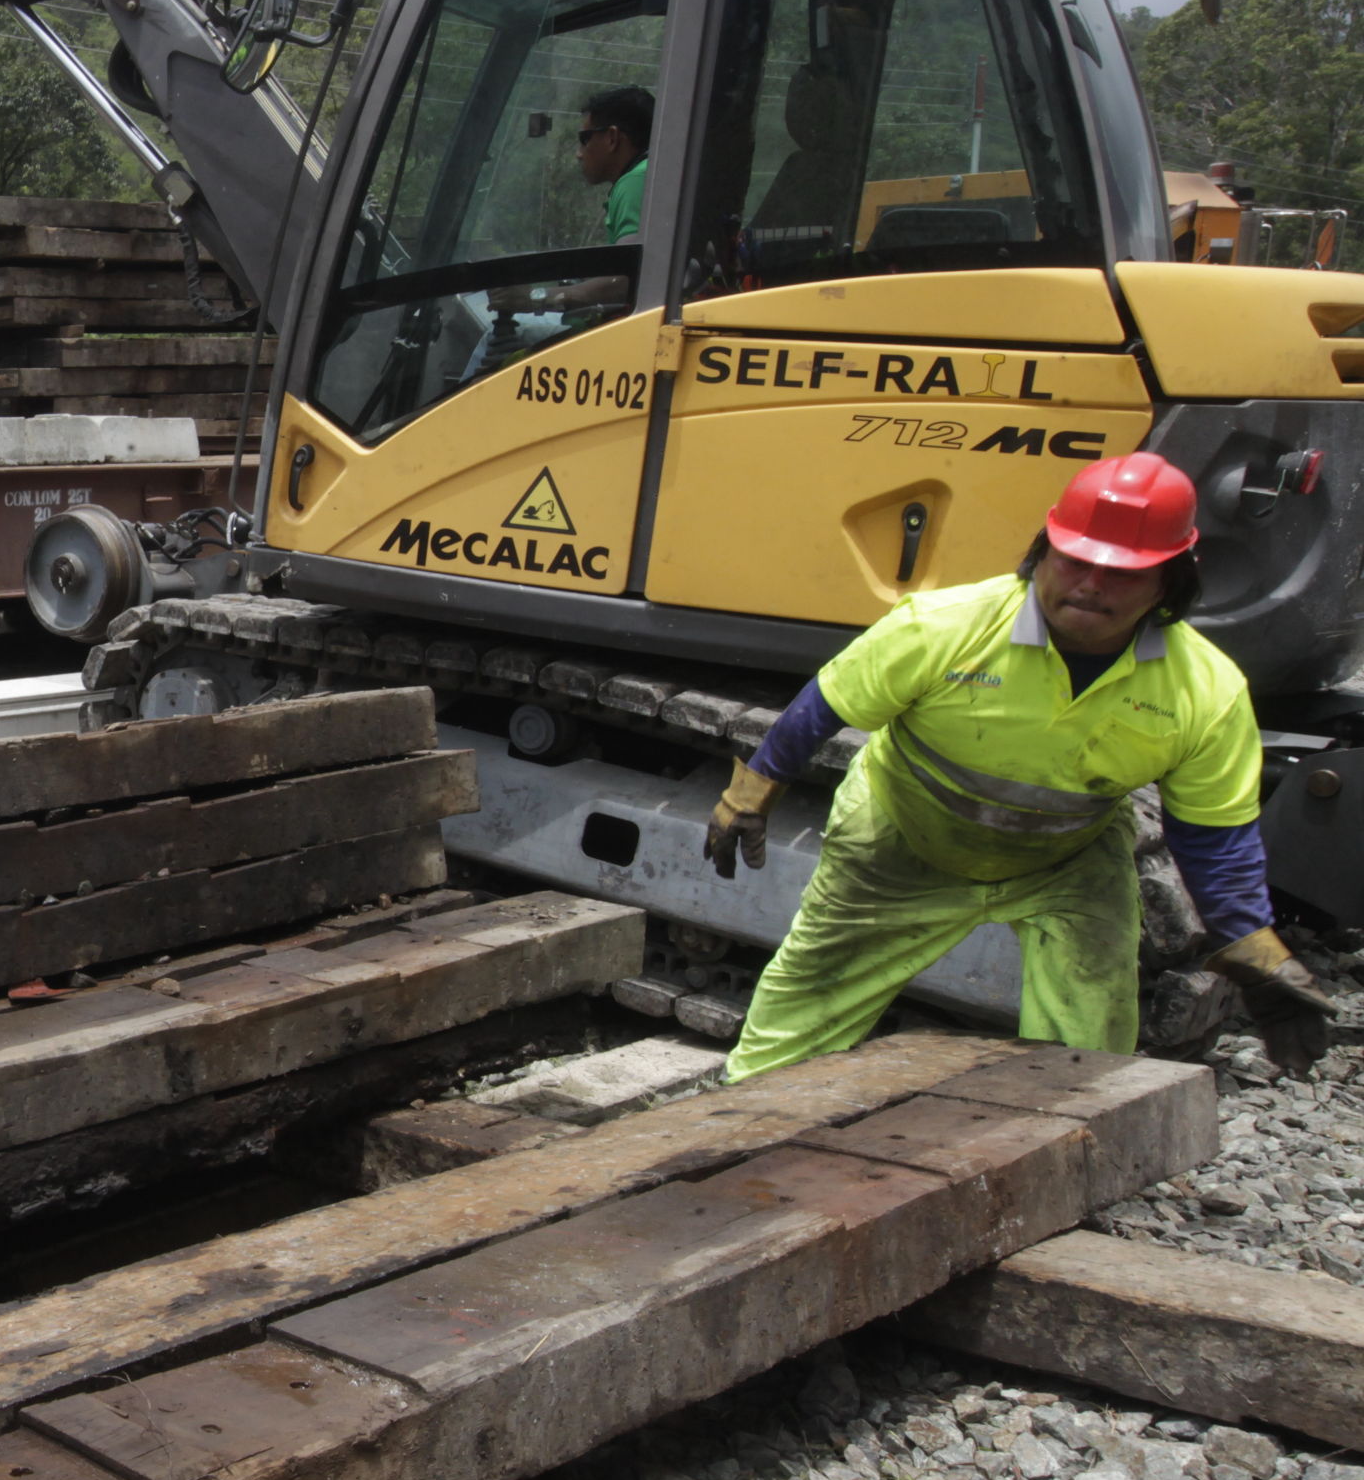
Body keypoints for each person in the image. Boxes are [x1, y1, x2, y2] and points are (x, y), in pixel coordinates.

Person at [707, 452, 1334, 1079]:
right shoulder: (944, 627)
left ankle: (1076, 1139)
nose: (1092, 583)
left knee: (1089, 1049)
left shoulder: (1207, 692)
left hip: (1066, 865)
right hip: (902, 843)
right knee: (802, 1012)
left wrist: (1252, 947)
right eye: (1076, 561)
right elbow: (824, 704)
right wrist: (751, 790)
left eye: (1121, 573)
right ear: (1043, 552)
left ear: (1169, 582)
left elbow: (1214, 837)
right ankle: (731, 1132)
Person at [493, 85, 653, 317]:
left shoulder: (636, 181)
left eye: (584, 139)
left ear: (611, 138)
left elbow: (626, 279)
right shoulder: (649, 174)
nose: (579, 153)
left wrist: (535, 298)